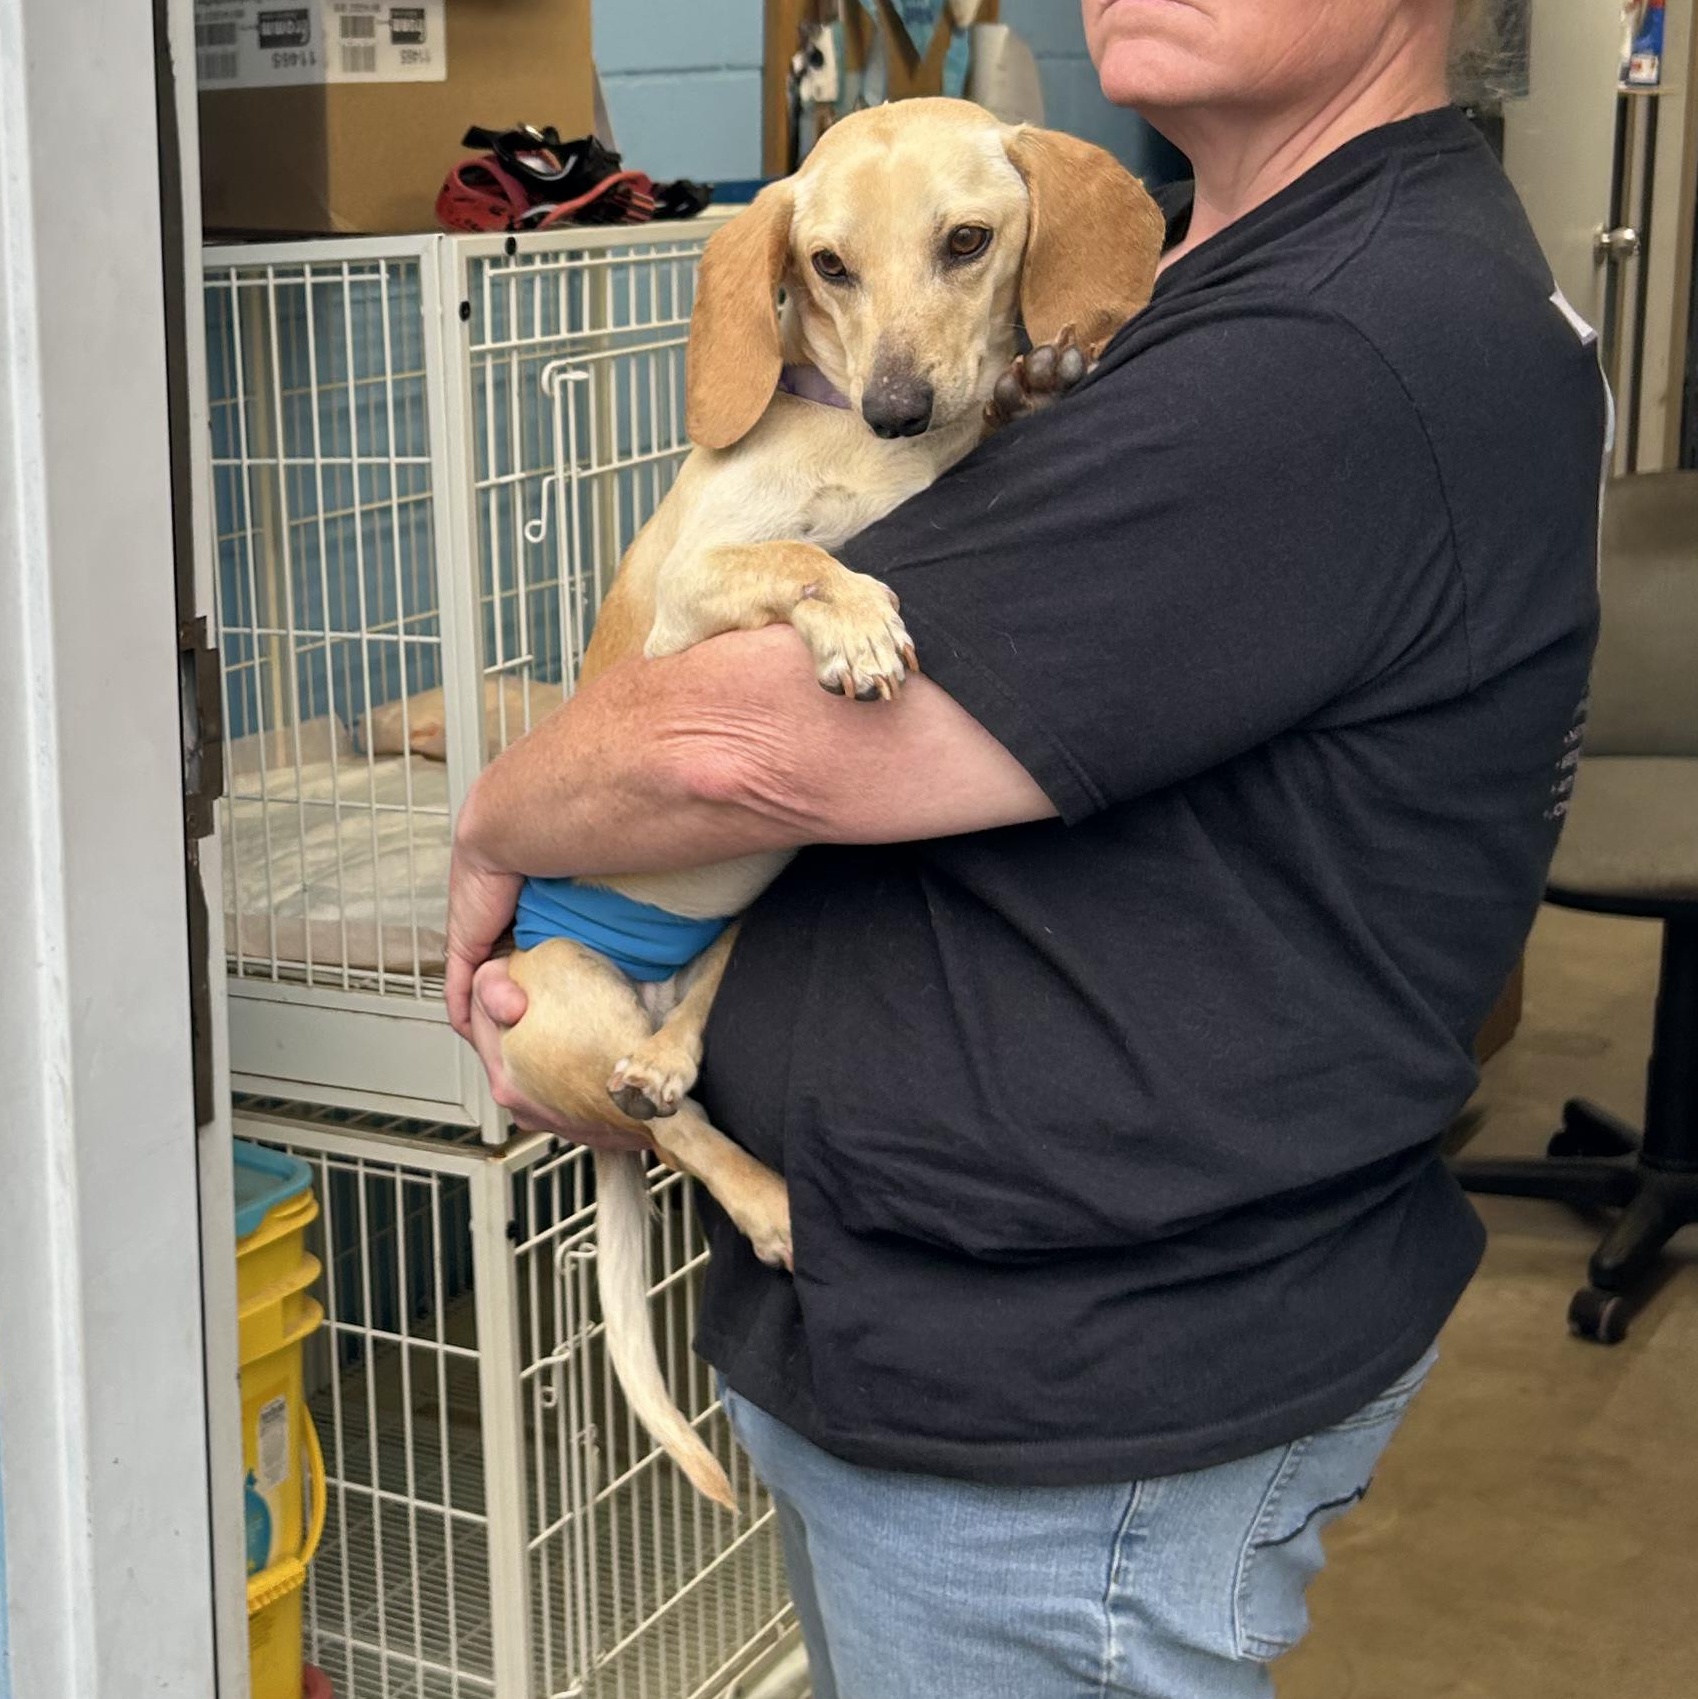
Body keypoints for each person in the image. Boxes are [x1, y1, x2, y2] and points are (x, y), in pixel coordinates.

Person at [445, 0, 1605, 1691]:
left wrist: (488, 821)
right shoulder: (1211, 302)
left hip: (1071, 1427)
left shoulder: (1330, 346)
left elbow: (723, 755)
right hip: (949, 1357)